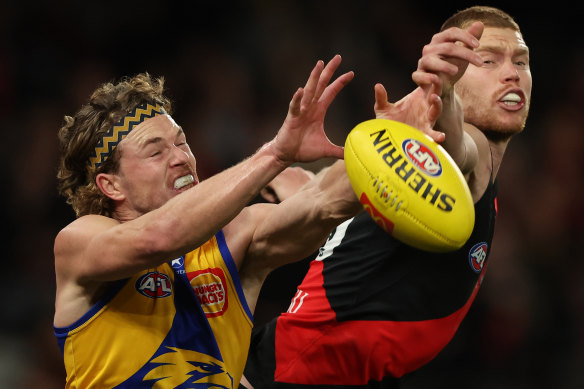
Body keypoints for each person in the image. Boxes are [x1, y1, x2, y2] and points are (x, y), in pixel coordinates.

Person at [242, 5, 531, 388]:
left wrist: (298, 183)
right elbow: (458, 150)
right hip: (281, 375)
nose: (511, 73)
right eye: (488, 61)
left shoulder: (400, 185)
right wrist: (442, 94)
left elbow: (328, 198)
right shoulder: (461, 155)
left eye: (521, 61)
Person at [53, 55, 366, 388]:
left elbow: (324, 203)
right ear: (111, 185)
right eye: (156, 152)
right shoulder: (80, 242)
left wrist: (401, 139)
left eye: (182, 142)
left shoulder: (234, 236)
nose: (180, 158)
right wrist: (274, 154)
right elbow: (157, 237)